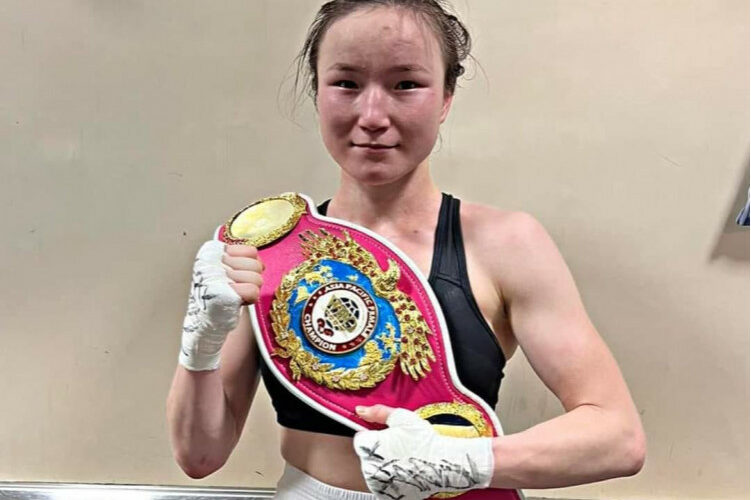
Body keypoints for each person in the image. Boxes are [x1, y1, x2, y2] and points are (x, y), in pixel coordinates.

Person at [166, 1, 647, 498]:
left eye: (405, 84)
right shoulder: (266, 247)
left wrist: (462, 462)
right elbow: (199, 456)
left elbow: (617, 438)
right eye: (346, 83)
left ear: (446, 98)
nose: (372, 115)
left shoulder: (507, 245)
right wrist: (201, 342)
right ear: (318, 93)